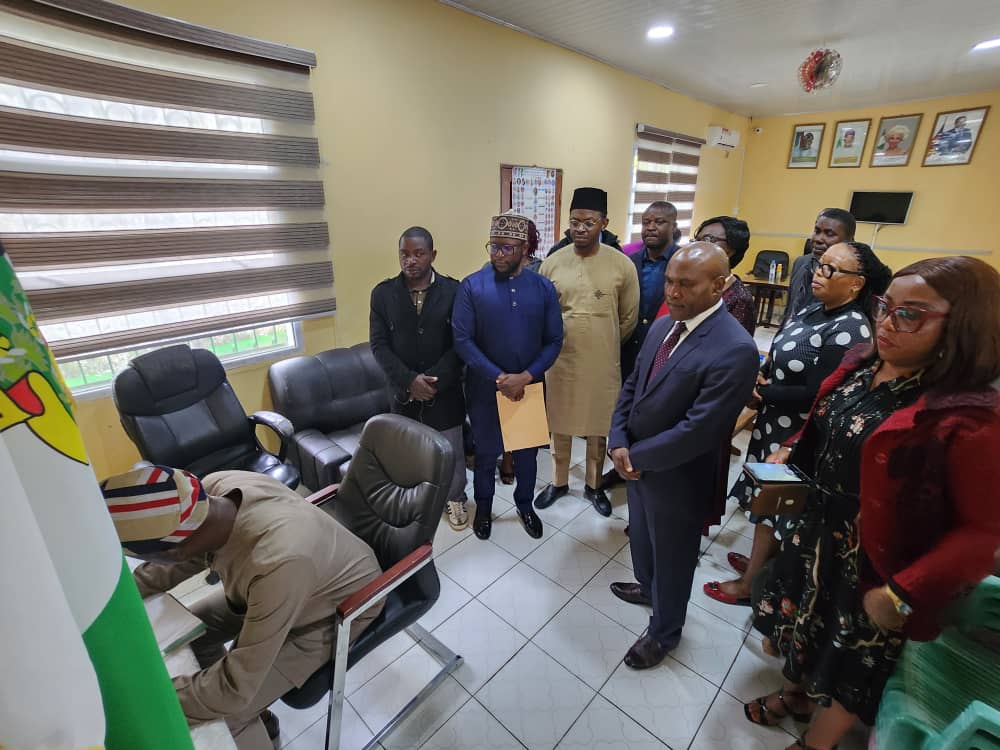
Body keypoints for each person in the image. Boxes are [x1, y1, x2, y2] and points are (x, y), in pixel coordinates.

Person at [745, 256, 1000, 750]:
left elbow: (980, 533)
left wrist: (903, 593)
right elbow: (828, 424)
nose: (887, 322)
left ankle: (817, 742)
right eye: (886, 306)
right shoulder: (863, 364)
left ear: (963, 326)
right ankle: (796, 696)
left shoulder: (968, 415)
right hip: (816, 529)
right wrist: (793, 447)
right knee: (801, 625)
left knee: (850, 657)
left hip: (876, 560)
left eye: (911, 315)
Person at [101, 467, 383, 750]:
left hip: (340, 607)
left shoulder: (276, 565)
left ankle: (253, 725)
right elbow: (187, 555)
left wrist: (148, 701)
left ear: (172, 552)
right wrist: (114, 599)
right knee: (193, 633)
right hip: (292, 583)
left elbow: (234, 691)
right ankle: (261, 716)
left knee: (230, 715)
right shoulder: (213, 493)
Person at [704, 241, 891, 606]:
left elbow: (819, 393)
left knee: (776, 507)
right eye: (820, 264)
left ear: (856, 283)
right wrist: (762, 375)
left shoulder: (851, 328)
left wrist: (763, 393)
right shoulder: (816, 308)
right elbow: (784, 354)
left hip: (798, 431)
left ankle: (750, 585)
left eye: (831, 269)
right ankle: (761, 562)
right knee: (766, 501)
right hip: (774, 420)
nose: (819, 272)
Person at [606, 243, 759, 669]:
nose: (672, 292)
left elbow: (700, 429)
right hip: (636, 464)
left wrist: (635, 457)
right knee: (642, 539)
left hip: (678, 476)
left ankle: (664, 631)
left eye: (686, 284)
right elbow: (633, 386)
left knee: (673, 558)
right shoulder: (664, 326)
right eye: (670, 281)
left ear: (719, 286)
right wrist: (618, 439)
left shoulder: (735, 347)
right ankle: (647, 588)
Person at [453, 210, 563, 540]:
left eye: (506, 248)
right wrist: (500, 377)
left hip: (528, 389)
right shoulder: (472, 286)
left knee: (527, 456)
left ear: (525, 248)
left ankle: (524, 506)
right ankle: (484, 508)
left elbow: (554, 340)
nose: (498, 255)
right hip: (485, 389)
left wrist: (526, 376)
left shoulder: (542, 287)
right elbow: (463, 340)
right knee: (486, 455)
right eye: (493, 246)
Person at [534, 187, 640, 517]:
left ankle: (594, 485)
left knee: (598, 426)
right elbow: (542, 315)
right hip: (561, 360)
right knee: (559, 422)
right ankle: (558, 482)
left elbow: (628, 318)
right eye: (574, 222)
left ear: (604, 223)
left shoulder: (622, 265)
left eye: (588, 222)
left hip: (602, 362)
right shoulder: (552, 263)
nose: (580, 229)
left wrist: (603, 341)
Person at [370, 226, 468, 530]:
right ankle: (416, 501)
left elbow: (461, 344)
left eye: (418, 253)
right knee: (408, 453)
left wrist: (433, 381)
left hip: (445, 393)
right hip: (404, 394)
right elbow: (379, 345)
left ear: (432, 255)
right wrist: (410, 381)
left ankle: (455, 498)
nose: (410, 260)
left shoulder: (454, 291)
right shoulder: (383, 294)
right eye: (404, 254)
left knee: (451, 454)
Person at [779, 208, 856, 329]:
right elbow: (790, 309)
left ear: (849, 240)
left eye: (829, 234)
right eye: (817, 231)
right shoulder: (800, 262)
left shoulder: (850, 276)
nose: (818, 239)